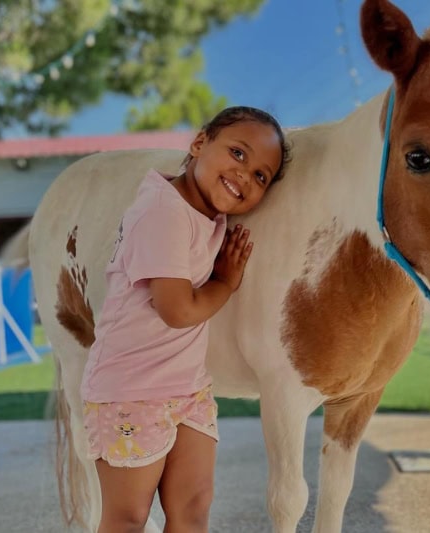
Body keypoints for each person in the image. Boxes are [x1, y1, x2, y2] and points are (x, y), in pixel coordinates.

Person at [80, 106, 290, 533]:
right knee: (127, 518)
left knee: (193, 511)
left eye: (262, 176)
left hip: (188, 390)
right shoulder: (163, 211)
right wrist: (226, 282)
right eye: (237, 153)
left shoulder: (208, 215)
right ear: (198, 144)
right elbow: (176, 310)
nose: (245, 175)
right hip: (131, 392)